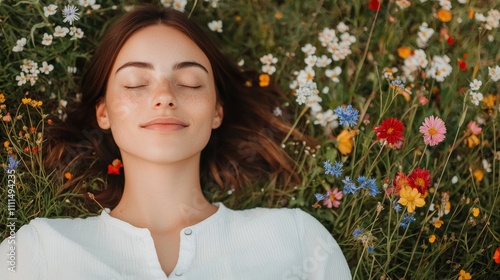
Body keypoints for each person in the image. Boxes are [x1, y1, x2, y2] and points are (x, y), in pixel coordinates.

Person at [0, 4, 351, 279]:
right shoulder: (38, 251)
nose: (164, 96)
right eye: (137, 83)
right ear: (103, 113)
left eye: (191, 83)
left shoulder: (294, 240)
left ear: (216, 111)